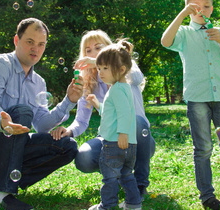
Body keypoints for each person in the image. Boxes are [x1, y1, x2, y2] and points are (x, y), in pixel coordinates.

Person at [0, 18, 84, 210]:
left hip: (8, 148)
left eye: (41, 44)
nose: (35, 49)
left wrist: (69, 100)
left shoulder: (39, 83)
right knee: (21, 111)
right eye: (29, 42)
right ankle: (0, 197)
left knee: (67, 146)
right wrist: (1, 121)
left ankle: (1, 178)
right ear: (16, 40)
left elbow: (41, 124)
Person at [161, 0, 220, 210]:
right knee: (204, 148)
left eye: (206, 6)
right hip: (197, 99)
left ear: (212, 8)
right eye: (195, 7)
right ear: (189, 9)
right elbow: (165, 41)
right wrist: (182, 14)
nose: (202, 11)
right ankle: (207, 196)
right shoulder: (184, 34)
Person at [50, 30, 155, 197]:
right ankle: (119, 177)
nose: (93, 54)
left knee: (136, 122)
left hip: (137, 138)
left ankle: (140, 185)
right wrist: (68, 131)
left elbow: (138, 77)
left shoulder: (126, 70)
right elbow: (81, 121)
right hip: (110, 139)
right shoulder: (88, 83)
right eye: (88, 51)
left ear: (110, 48)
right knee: (84, 158)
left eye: (98, 48)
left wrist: (101, 62)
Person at [84, 40, 142, 210]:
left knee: (109, 176)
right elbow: (113, 114)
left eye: (105, 68)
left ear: (122, 70)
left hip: (115, 142)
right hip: (129, 143)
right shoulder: (123, 88)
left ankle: (107, 206)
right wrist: (97, 104)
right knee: (126, 175)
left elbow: (124, 114)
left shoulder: (116, 90)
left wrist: (122, 133)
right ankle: (134, 205)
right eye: (99, 68)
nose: (100, 73)